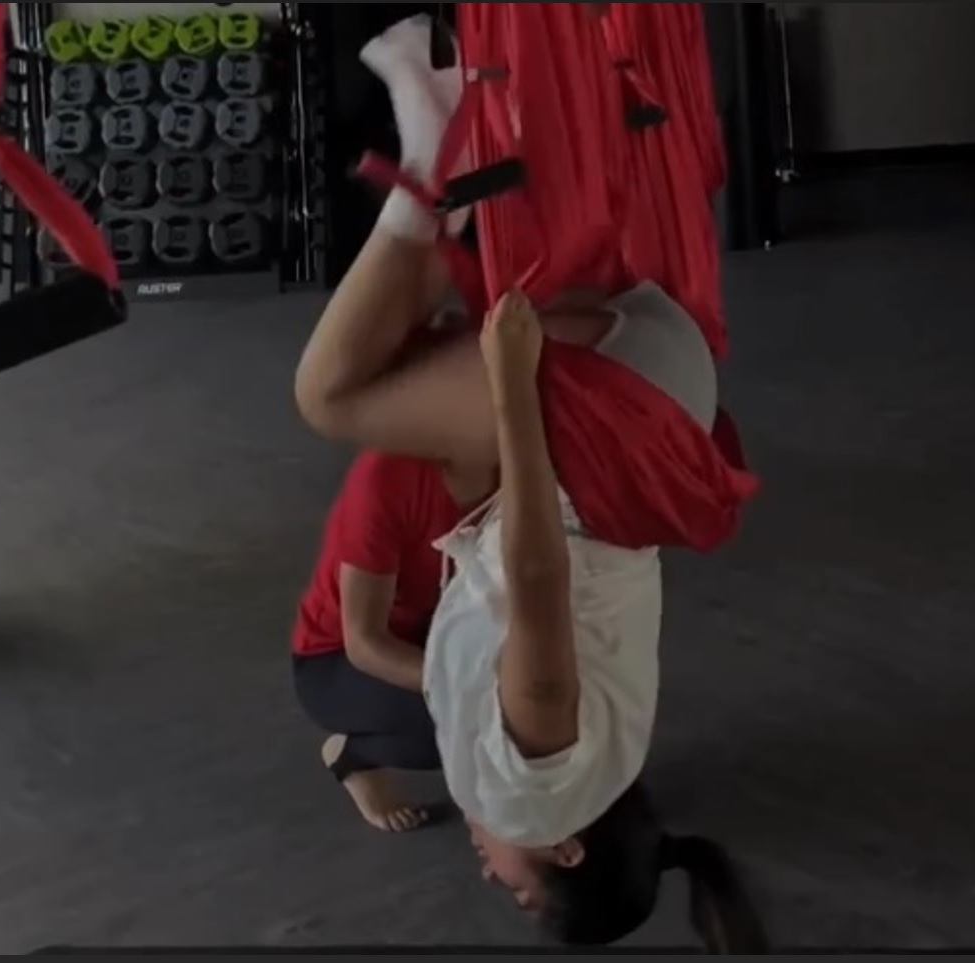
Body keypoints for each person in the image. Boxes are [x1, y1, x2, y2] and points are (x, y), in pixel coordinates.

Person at [294, 13, 765, 950]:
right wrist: (512, 379)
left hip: (662, 399)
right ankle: (430, 146)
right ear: (565, 851)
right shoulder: (535, 787)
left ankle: (436, 150)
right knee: (330, 395)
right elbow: (539, 576)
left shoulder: (608, 769)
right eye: (517, 891)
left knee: (397, 367)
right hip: (610, 425)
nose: (488, 872)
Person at [292, 449, 493, 833]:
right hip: (336, 657)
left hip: (438, 623)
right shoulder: (386, 475)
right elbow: (365, 642)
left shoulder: (528, 463)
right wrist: (473, 690)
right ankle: (354, 756)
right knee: (465, 727)